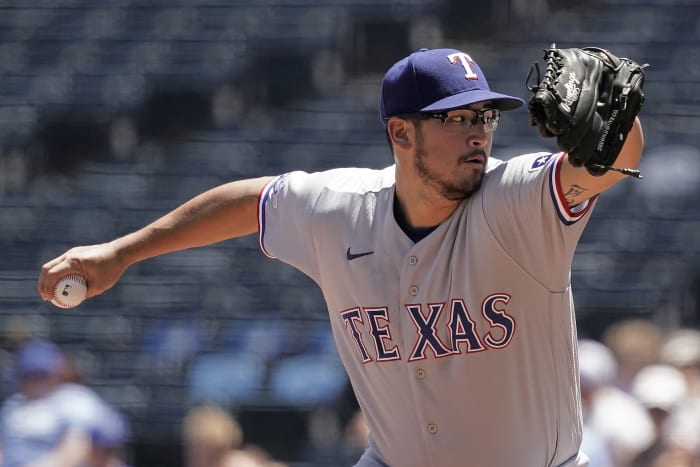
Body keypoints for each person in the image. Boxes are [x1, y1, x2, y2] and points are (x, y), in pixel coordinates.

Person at [37, 46, 645, 466]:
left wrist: (617, 124)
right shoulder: (340, 207)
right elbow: (248, 201)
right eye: (456, 118)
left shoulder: (517, 200)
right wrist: (121, 252)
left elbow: (605, 165)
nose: (478, 134)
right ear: (401, 134)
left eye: (484, 116)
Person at [0, 339, 112, 467]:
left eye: (39, 377)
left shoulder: (72, 399)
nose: (33, 383)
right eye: (28, 377)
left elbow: (77, 450)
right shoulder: (12, 406)